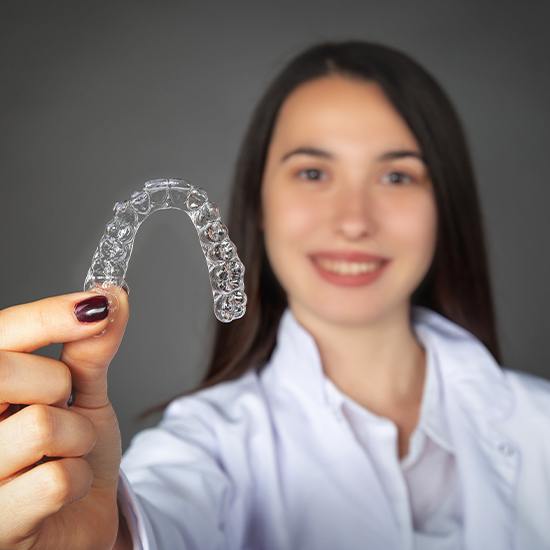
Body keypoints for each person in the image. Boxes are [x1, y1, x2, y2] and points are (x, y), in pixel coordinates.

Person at [0, 40, 549, 550]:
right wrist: (107, 537)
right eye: (313, 172)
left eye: (397, 177)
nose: (353, 221)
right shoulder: (204, 446)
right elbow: (159, 517)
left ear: (444, 206)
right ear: (259, 202)